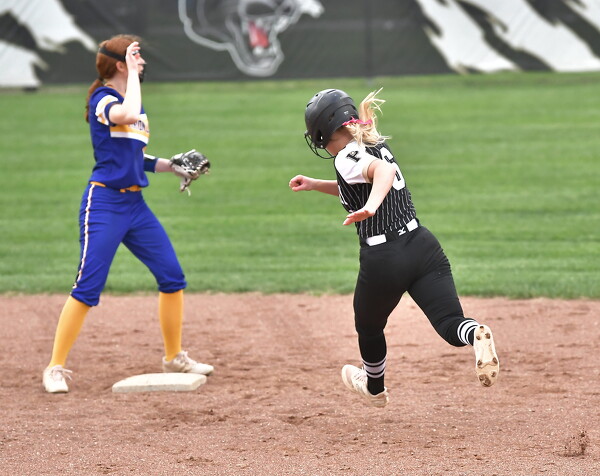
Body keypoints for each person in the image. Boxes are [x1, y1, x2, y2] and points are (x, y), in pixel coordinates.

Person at [289, 89, 499, 408]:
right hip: (423, 246)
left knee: (368, 326)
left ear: (322, 133)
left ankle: (374, 388)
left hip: (385, 259)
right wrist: (316, 184)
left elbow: (381, 175)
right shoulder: (372, 142)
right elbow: (360, 182)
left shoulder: (345, 156)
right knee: (449, 321)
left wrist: (372, 207)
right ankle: (475, 334)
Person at [42, 34, 213, 394]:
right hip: (104, 204)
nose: (143, 62)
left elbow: (136, 157)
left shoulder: (132, 100)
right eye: (136, 57)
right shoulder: (104, 99)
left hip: (136, 207)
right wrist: (133, 76)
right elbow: (127, 114)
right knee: (88, 286)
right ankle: (55, 367)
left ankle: (173, 356)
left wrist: (171, 166)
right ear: (120, 65)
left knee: (172, 276)